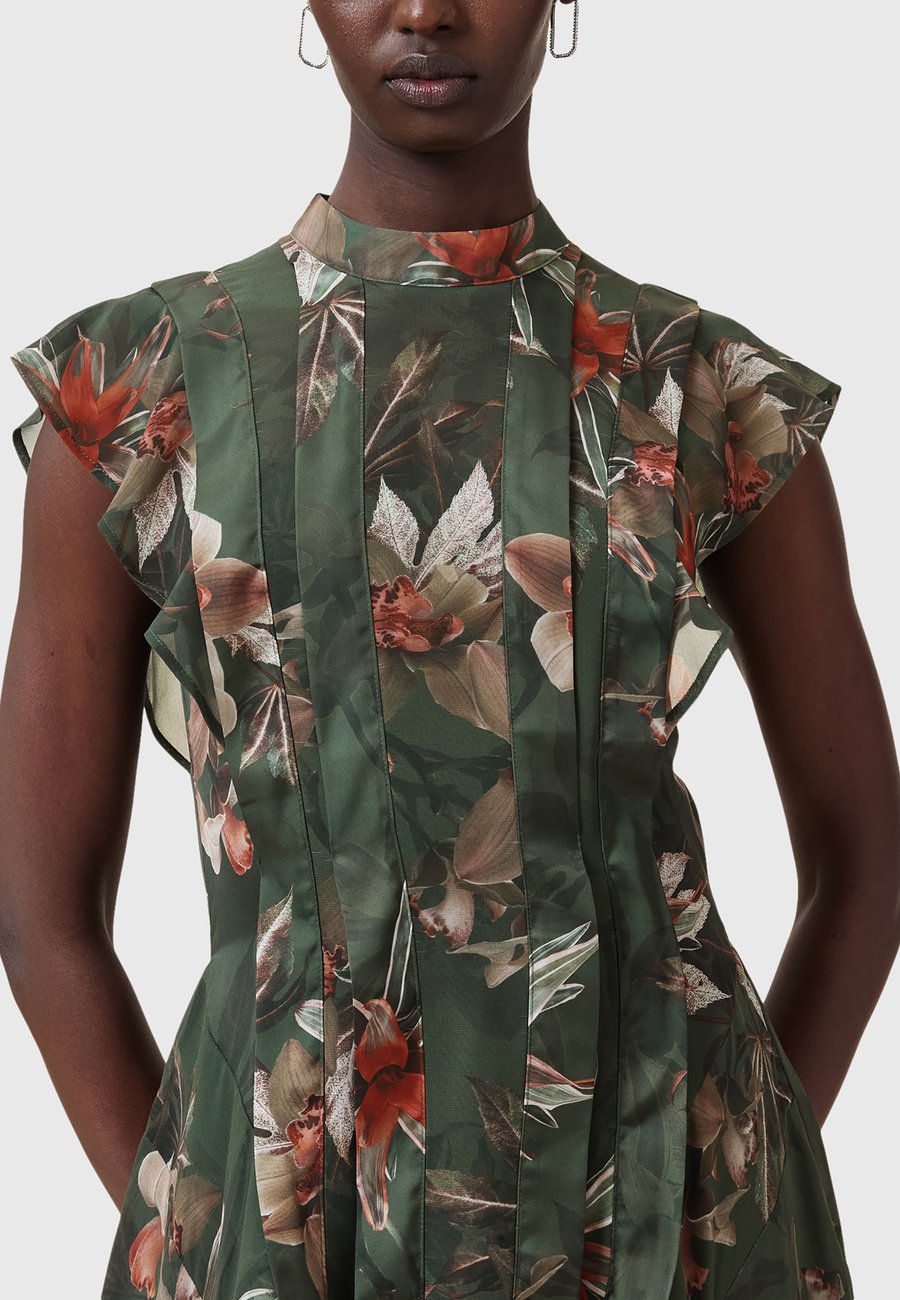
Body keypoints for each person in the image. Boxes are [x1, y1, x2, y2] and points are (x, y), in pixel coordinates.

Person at [1, 2, 896, 1298]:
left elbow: (868, 862)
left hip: (670, 1236)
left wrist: (727, 1168)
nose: (425, 10)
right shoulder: (145, 394)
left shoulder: (697, 391)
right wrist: (201, 1213)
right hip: (287, 1239)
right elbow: (39, 910)